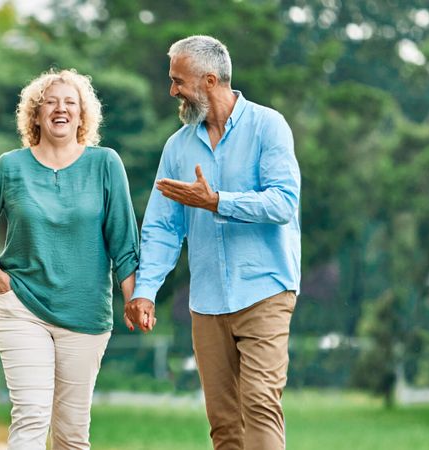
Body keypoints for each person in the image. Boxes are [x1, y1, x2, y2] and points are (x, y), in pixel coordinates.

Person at [125, 35, 301, 450]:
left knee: (259, 403)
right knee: (223, 423)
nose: (172, 91)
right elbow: (163, 227)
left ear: (209, 80)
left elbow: (284, 203)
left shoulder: (267, 126)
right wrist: (146, 290)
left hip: (265, 290)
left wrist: (217, 201)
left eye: (178, 81)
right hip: (207, 301)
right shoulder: (177, 147)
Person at [0, 69, 139, 450]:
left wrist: (134, 298)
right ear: (36, 115)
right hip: (21, 304)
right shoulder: (10, 167)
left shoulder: (105, 164)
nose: (61, 109)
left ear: (82, 115)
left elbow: (123, 240)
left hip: (86, 312)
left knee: (72, 433)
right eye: (51, 102)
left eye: (70, 102)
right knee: (31, 417)